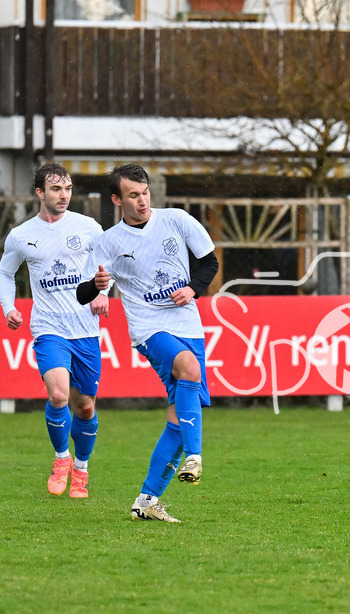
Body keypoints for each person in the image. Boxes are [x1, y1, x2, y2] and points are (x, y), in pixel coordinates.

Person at [77, 163, 219, 523]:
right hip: (148, 327)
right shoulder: (109, 242)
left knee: (177, 416)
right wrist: (97, 286)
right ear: (117, 199)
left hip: (187, 322)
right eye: (133, 195)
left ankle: (147, 499)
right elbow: (82, 292)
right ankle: (196, 456)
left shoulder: (177, 220)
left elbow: (209, 263)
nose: (142, 201)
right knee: (189, 367)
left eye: (145, 193)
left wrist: (193, 289)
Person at [0, 163, 109, 499]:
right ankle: (62, 459)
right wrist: (9, 307)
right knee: (59, 395)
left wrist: (103, 293)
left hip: (85, 329)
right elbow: (5, 274)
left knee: (85, 406)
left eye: (68, 189)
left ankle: (81, 469)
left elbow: (109, 264)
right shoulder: (21, 235)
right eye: (56, 189)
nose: (64, 195)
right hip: (48, 327)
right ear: (40, 193)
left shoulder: (88, 227)